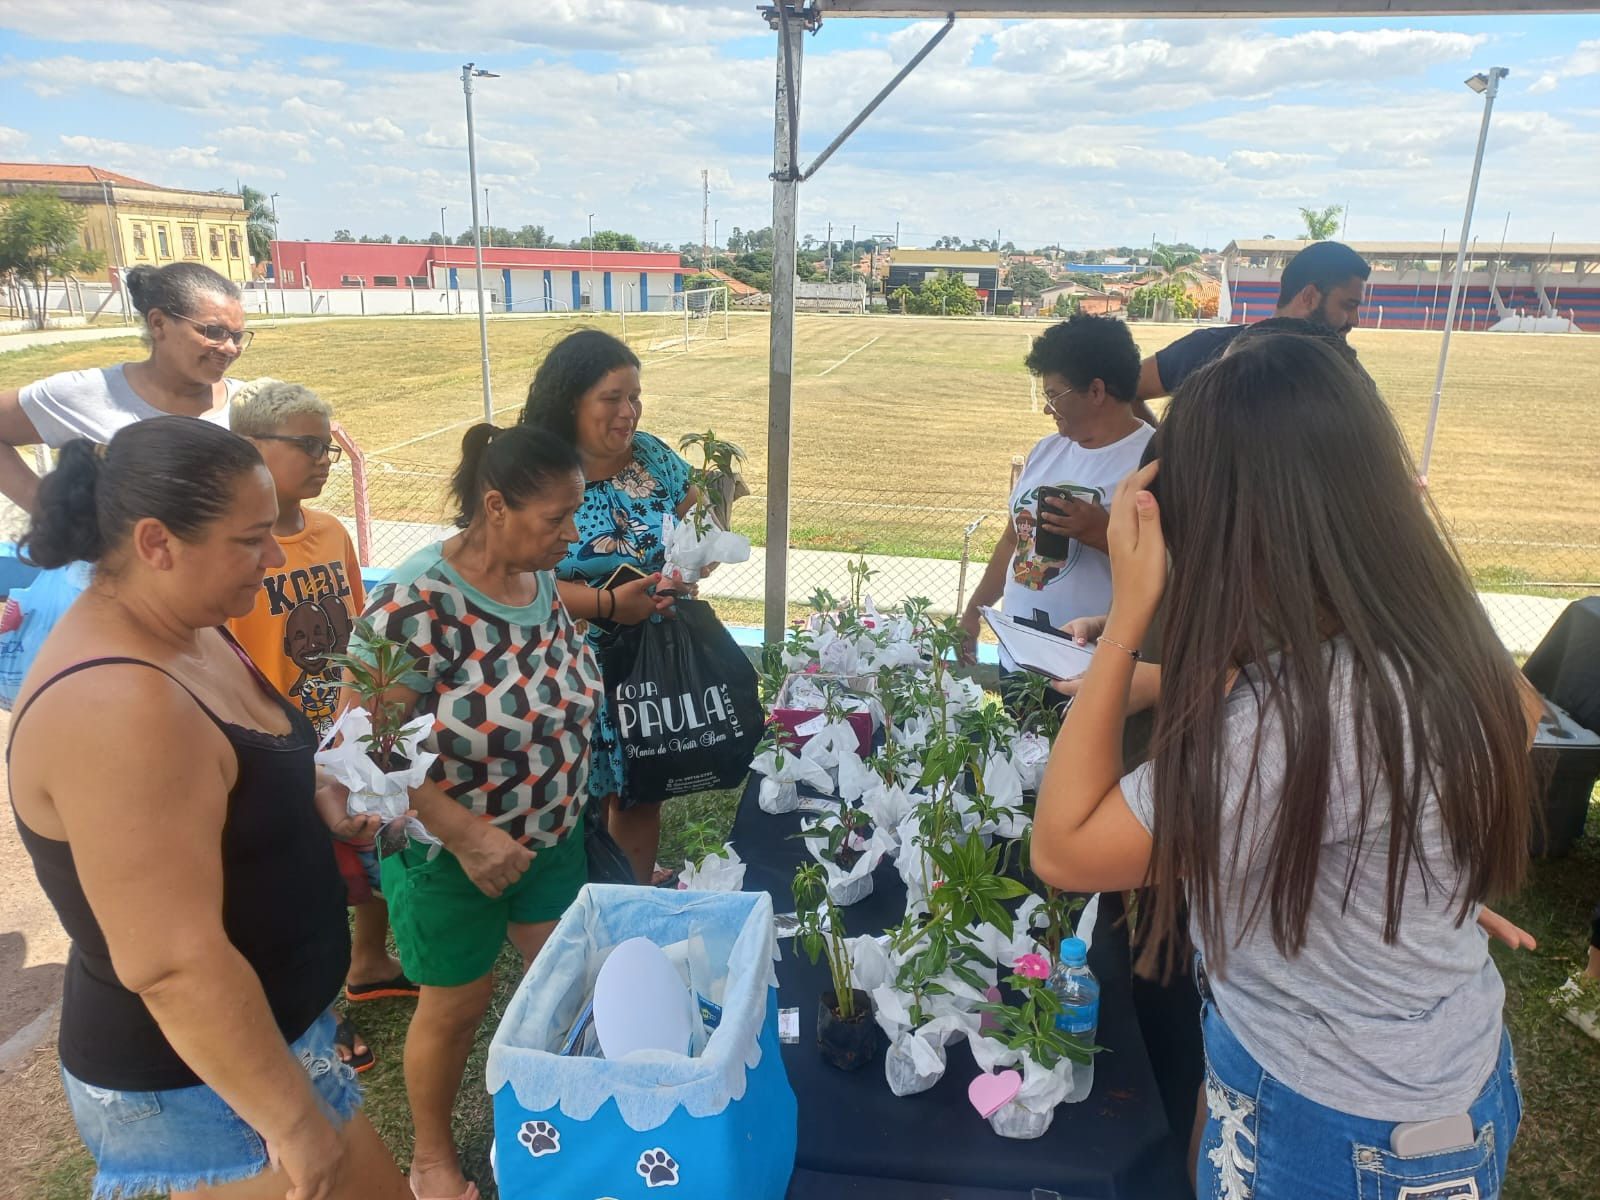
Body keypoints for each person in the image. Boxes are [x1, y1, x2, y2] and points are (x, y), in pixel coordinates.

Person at [1030, 333, 1538, 1200]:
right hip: (1394, 1066)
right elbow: (1485, 736)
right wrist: (1408, 879)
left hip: (1337, 1123)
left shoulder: (1289, 725)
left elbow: (1066, 848)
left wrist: (1129, 613)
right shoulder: (1438, 641)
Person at [7, 417, 408, 1200]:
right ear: (157, 542)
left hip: (275, 1040)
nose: (271, 557)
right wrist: (293, 1126)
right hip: (203, 1086)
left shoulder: (191, 626)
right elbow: (170, 962)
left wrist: (315, 791)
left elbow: (233, 776)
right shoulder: (119, 704)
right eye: (251, 538)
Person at [355, 424, 601, 1200]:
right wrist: (466, 836)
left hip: (550, 838)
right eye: (555, 519)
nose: (572, 534)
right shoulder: (415, 599)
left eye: (576, 514)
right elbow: (367, 742)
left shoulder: (538, 584)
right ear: (495, 506)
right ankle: (431, 1159)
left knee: (564, 984)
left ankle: (572, 1119)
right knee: (456, 1006)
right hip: (449, 854)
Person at [227, 379, 417, 1076]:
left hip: (345, 736)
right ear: (248, 448)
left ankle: (369, 965)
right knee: (305, 888)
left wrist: (370, 719)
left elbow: (361, 633)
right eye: (305, 445)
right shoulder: (228, 545)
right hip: (275, 755)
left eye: (326, 445)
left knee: (371, 857)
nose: (323, 458)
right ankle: (321, 1011)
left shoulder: (331, 532)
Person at [519, 328, 704, 886]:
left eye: (635, 397)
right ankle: (579, 899)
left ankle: (631, 895)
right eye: (612, 399)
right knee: (569, 796)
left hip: (646, 659)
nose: (629, 412)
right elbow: (507, 576)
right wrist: (604, 604)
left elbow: (699, 520)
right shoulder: (532, 468)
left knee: (641, 787)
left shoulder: (653, 457)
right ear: (570, 400)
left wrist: (693, 562)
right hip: (560, 666)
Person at [957, 314, 1154, 681]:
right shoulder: (1046, 450)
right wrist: (974, 612)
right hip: (1020, 658)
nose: (1048, 409)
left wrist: (1101, 532)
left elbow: (1175, 569)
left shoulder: (1152, 460)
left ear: (1096, 391)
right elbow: (1012, 540)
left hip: (1092, 670)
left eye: (1054, 396)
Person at [0, 262, 252, 512]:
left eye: (237, 336)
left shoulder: (250, 406)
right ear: (158, 323)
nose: (231, 348)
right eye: (214, 331)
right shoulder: (89, 394)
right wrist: (49, 513)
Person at [1135, 240, 1371, 406]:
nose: (1355, 321)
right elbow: (1124, 389)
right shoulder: (1206, 348)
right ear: (1309, 297)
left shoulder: (1347, 371)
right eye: (1348, 306)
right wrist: (1163, 457)